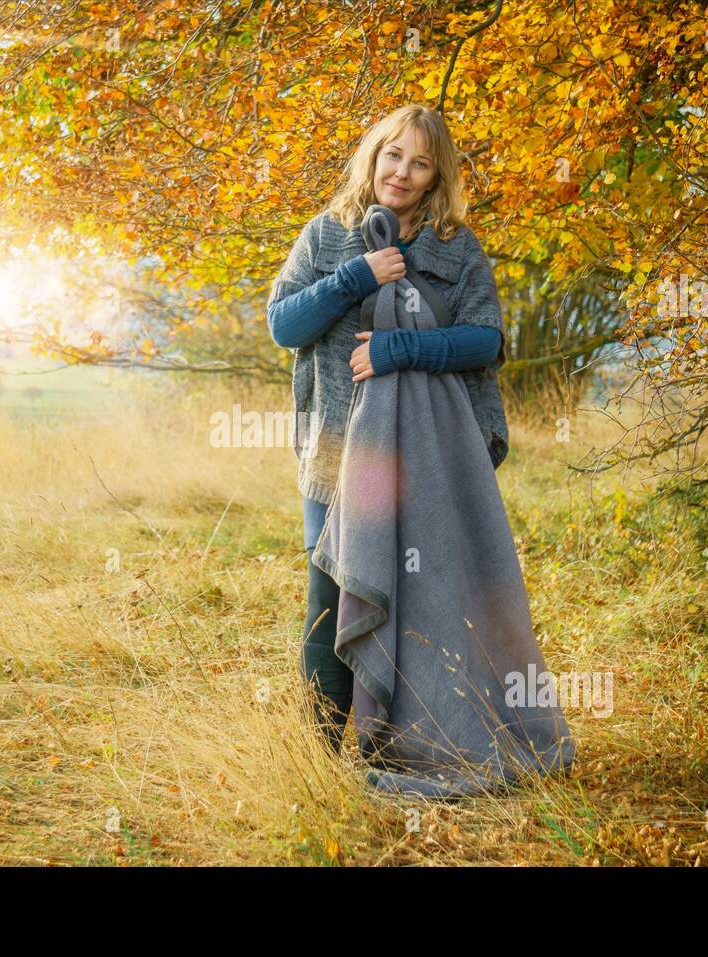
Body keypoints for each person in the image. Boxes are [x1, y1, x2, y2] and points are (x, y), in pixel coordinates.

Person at [266, 104, 507, 754]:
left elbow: (486, 340)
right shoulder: (326, 235)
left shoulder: (455, 247)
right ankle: (317, 757)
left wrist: (401, 351)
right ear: (373, 156)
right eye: (393, 154)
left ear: (435, 177)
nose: (402, 171)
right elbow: (284, 326)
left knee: (420, 599)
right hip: (341, 454)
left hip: (424, 455)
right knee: (333, 597)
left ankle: (399, 747)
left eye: (420, 162)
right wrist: (355, 278)